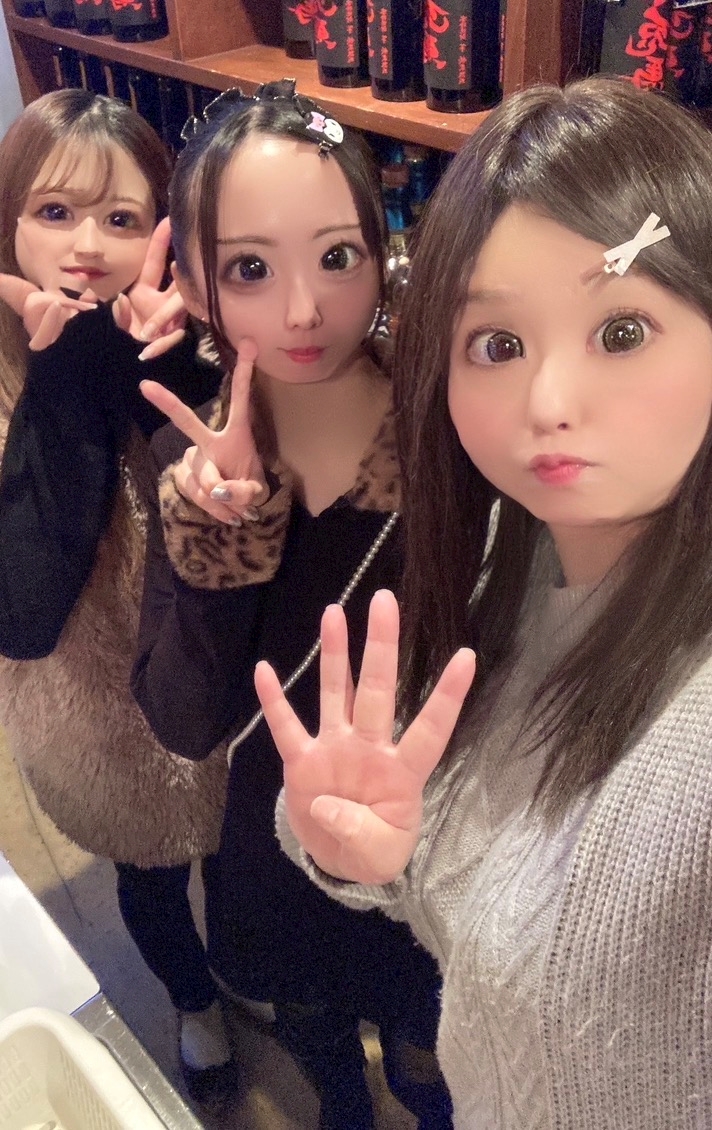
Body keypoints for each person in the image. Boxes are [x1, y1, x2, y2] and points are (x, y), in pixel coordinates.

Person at [255, 75, 712, 1128]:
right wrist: (364, 850)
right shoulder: (508, 554)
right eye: (497, 346)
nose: (548, 404)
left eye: (622, 331)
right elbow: (492, 916)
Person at [132, 80, 452, 1129]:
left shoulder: (453, 439)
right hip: (275, 849)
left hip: (431, 848)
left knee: (433, 1053)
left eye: (337, 256)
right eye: (251, 270)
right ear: (194, 285)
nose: (305, 310)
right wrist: (222, 536)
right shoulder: (189, 460)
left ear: (382, 253)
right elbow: (185, 721)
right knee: (321, 1045)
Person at [0, 89, 233, 1099]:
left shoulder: (201, 338)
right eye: (55, 211)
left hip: (216, 677)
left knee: (236, 853)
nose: (88, 246)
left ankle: (242, 968)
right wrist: (61, 380)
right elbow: (23, 607)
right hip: (91, 704)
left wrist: (179, 363)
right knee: (150, 871)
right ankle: (194, 997)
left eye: (122, 217)